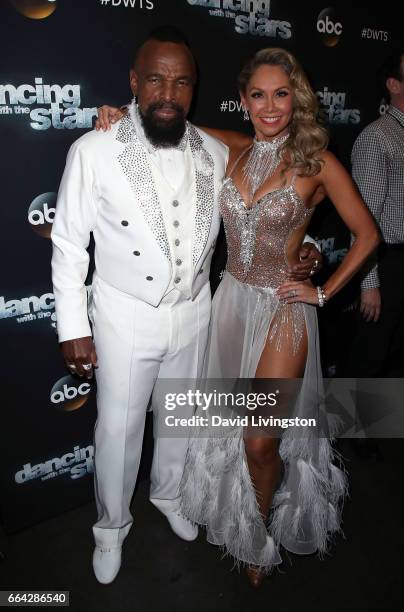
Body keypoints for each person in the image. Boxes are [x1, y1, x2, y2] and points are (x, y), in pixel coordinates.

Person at [51, 27, 319, 585]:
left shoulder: (217, 151)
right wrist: (72, 326)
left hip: (197, 311)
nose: (168, 93)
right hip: (125, 314)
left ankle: (169, 497)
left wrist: (305, 247)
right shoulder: (95, 148)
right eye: (155, 79)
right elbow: (70, 244)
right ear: (133, 82)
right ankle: (112, 528)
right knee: (118, 432)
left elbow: (274, 200)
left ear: (194, 90)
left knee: (179, 420)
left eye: (181, 82)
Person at [177, 48, 379, 587]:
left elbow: (368, 234)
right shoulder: (236, 148)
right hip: (232, 303)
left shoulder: (317, 162)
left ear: (298, 98)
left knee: (261, 440)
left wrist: (324, 291)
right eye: (259, 95)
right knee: (229, 424)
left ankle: (260, 533)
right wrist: (118, 114)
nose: (271, 107)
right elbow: (174, 122)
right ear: (243, 100)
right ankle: (238, 510)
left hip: (284, 309)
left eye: (282, 94)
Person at [346, 48, 404, 376]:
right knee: (371, 360)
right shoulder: (377, 137)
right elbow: (362, 218)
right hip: (388, 265)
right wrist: (369, 283)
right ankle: (353, 428)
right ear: (394, 85)